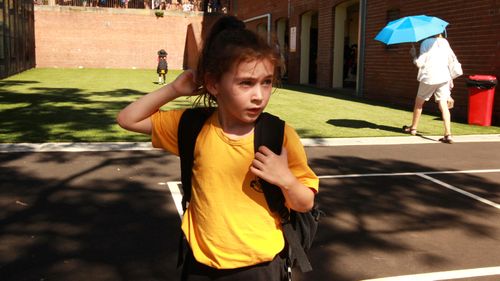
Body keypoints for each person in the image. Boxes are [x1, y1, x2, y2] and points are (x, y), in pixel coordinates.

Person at [116, 16, 319, 280]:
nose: (259, 95)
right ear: (213, 84)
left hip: (259, 269)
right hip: (200, 265)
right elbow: (128, 119)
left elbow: (305, 203)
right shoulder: (192, 127)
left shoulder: (279, 135)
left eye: (266, 82)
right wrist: (175, 89)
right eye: (246, 83)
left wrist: (286, 181)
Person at [405, 33, 457, 144]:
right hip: (444, 77)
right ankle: (448, 134)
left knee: (419, 103)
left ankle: (413, 128)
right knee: (443, 105)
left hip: (429, 77)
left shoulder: (426, 42)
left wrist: (414, 55)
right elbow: (451, 61)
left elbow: (419, 63)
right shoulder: (445, 43)